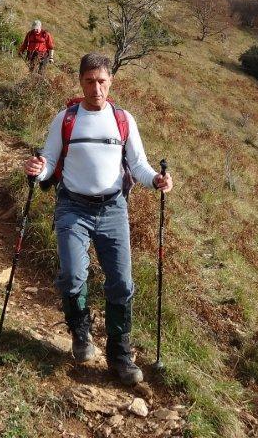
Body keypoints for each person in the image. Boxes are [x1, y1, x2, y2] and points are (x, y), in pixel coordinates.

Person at [24, 52, 174, 385]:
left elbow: (138, 164)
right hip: (72, 207)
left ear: (111, 81)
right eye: (90, 81)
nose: (96, 89)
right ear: (80, 82)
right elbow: (49, 162)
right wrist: (37, 170)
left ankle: (119, 355)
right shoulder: (65, 119)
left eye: (102, 81)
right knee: (73, 275)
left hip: (113, 209)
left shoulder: (123, 120)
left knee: (122, 282)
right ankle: (81, 331)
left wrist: (156, 180)